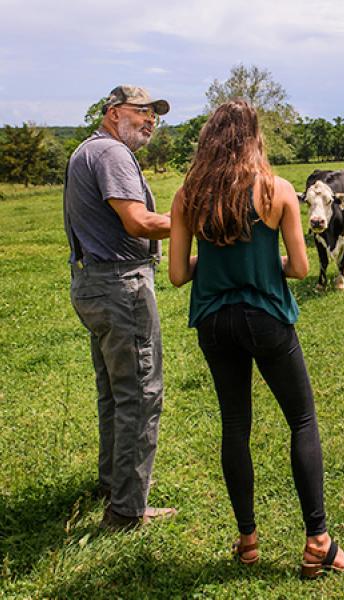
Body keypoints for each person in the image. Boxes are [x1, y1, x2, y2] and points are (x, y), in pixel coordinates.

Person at [168, 99, 344, 576]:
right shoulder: (276, 190)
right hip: (266, 318)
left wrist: (215, 266)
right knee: (301, 420)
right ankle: (318, 540)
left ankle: (248, 540)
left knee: (235, 425)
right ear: (254, 138)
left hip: (214, 321)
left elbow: (176, 274)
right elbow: (298, 267)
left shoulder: (187, 195)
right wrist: (262, 265)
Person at [64, 85, 176, 530]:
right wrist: (203, 218)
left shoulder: (88, 151)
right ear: (113, 114)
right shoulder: (111, 154)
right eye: (141, 112)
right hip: (119, 286)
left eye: (155, 115)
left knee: (114, 391)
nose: (150, 120)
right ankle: (127, 510)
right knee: (141, 394)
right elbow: (138, 221)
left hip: (93, 282)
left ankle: (113, 484)